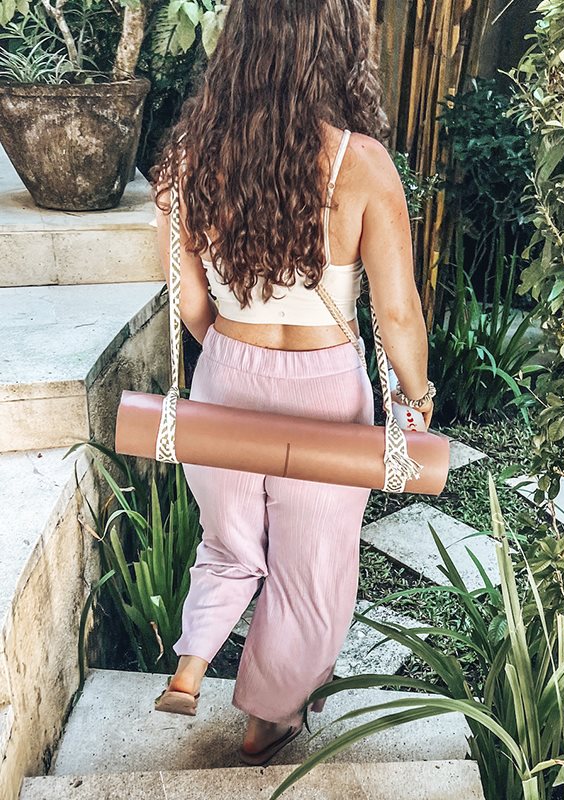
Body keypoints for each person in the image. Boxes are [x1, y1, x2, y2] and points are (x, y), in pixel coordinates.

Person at [148, 0, 434, 766]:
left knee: (228, 541)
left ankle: (192, 662)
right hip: (325, 396)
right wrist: (417, 394)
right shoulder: (361, 164)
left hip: (224, 378)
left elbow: (191, 305)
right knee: (312, 571)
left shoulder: (186, 160)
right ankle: (267, 719)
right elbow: (398, 315)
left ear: (239, 44)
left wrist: (236, 363)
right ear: (334, 47)